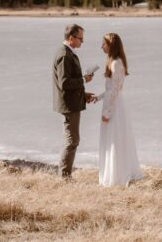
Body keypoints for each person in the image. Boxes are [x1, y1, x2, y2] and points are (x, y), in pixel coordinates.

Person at [97, 32, 142, 186]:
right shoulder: (111, 61)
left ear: (111, 46)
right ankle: (112, 174)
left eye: (103, 44)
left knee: (115, 140)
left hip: (114, 106)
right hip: (110, 102)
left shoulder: (117, 63)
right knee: (110, 139)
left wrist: (108, 112)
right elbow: (110, 89)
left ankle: (117, 177)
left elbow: (116, 91)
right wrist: (98, 97)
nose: (101, 46)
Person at [52, 23, 94, 180]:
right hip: (69, 106)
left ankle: (64, 176)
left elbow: (68, 83)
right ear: (71, 38)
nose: (82, 42)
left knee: (72, 139)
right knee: (71, 140)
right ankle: (64, 178)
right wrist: (83, 79)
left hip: (72, 102)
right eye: (80, 39)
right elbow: (64, 83)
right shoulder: (64, 55)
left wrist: (83, 95)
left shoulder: (67, 53)